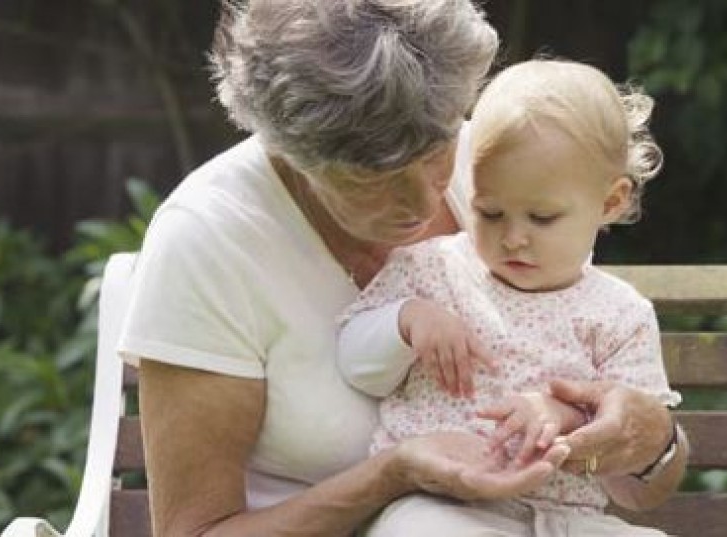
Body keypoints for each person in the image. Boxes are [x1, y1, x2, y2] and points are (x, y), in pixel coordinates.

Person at [117, 1, 687, 534]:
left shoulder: (503, 166)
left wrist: (648, 438)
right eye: (371, 179)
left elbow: (638, 478)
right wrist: (391, 475)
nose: (422, 204)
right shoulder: (210, 239)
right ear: (289, 154)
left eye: (436, 151)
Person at [337, 59, 685, 535]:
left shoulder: (620, 315)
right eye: (490, 211)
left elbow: (626, 435)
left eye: (541, 218)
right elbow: (356, 364)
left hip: (567, 516)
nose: (513, 238)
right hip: (440, 505)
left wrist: (563, 417)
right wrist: (406, 322)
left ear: (610, 202)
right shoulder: (430, 269)